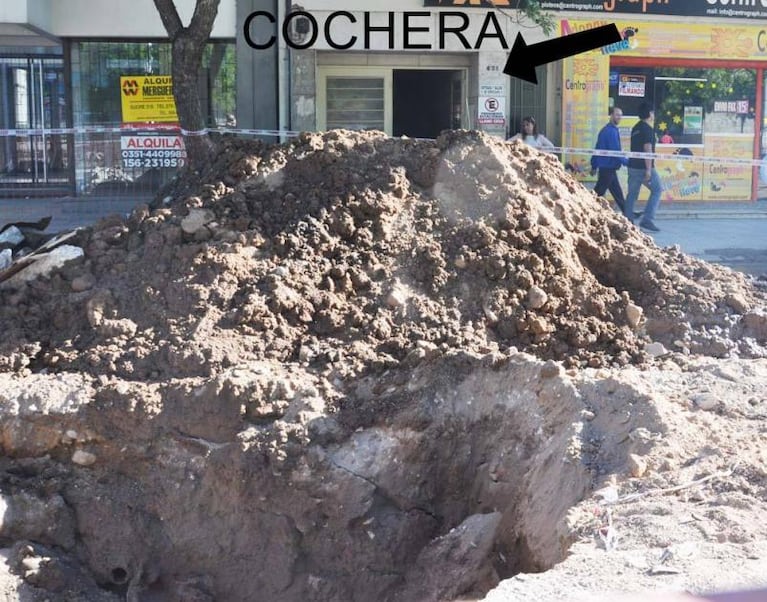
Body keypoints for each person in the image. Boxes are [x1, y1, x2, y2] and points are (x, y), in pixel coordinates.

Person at [625, 102, 663, 232]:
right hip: (643, 167)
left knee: (632, 194)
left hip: (633, 166)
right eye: (652, 113)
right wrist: (648, 169)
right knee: (658, 189)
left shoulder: (635, 127)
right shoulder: (648, 129)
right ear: (649, 114)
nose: (653, 115)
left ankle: (627, 221)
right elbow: (647, 149)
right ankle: (647, 219)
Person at [590, 106, 629, 214]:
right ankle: (585, 210)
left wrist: (594, 165)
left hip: (608, 168)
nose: (619, 117)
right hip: (607, 168)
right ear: (611, 115)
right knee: (597, 194)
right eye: (617, 115)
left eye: (621, 115)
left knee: (618, 194)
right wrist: (627, 162)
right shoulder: (610, 131)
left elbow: (597, 148)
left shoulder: (606, 130)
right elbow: (615, 151)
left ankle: (628, 214)